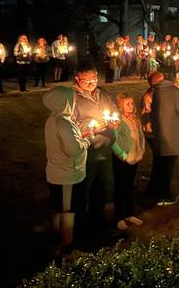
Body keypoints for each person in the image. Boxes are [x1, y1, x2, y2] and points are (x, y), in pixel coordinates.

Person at [43, 86, 93, 256]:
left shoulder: (53, 119)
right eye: (72, 99)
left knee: (58, 208)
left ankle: (55, 239)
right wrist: (88, 139)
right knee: (68, 210)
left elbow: (67, 141)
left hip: (56, 172)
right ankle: (67, 246)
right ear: (64, 101)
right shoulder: (63, 122)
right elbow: (73, 150)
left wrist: (80, 134)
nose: (74, 102)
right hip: (67, 175)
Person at [71, 62, 117, 234]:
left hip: (105, 151)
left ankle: (99, 223)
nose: (92, 83)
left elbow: (113, 110)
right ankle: (80, 228)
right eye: (87, 81)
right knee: (83, 191)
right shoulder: (72, 99)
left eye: (94, 79)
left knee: (104, 188)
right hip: (87, 153)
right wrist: (91, 129)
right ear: (77, 79)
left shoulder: (102, 94)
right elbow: (70, 128)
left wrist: (115, 120)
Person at [150, 68, 179, 205]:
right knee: (168, 167)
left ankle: (156, 192)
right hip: (173, 134)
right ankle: (165, 196)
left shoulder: (157, 91)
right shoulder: (175, 91)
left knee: (161, 165)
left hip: (161, 133)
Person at [111, 93, 146, 231]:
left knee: (129, 186)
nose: (131, 106)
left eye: (132, 103)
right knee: (120, 187)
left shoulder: (135, 119)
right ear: (120, 106)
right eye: (127, 104)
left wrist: (141, 151)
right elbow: (113, 140)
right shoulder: (118, 121)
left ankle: (129, 214)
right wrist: (122, 155)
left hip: (134, 157)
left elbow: (140, 136)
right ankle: (119, 217)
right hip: (122, 159)